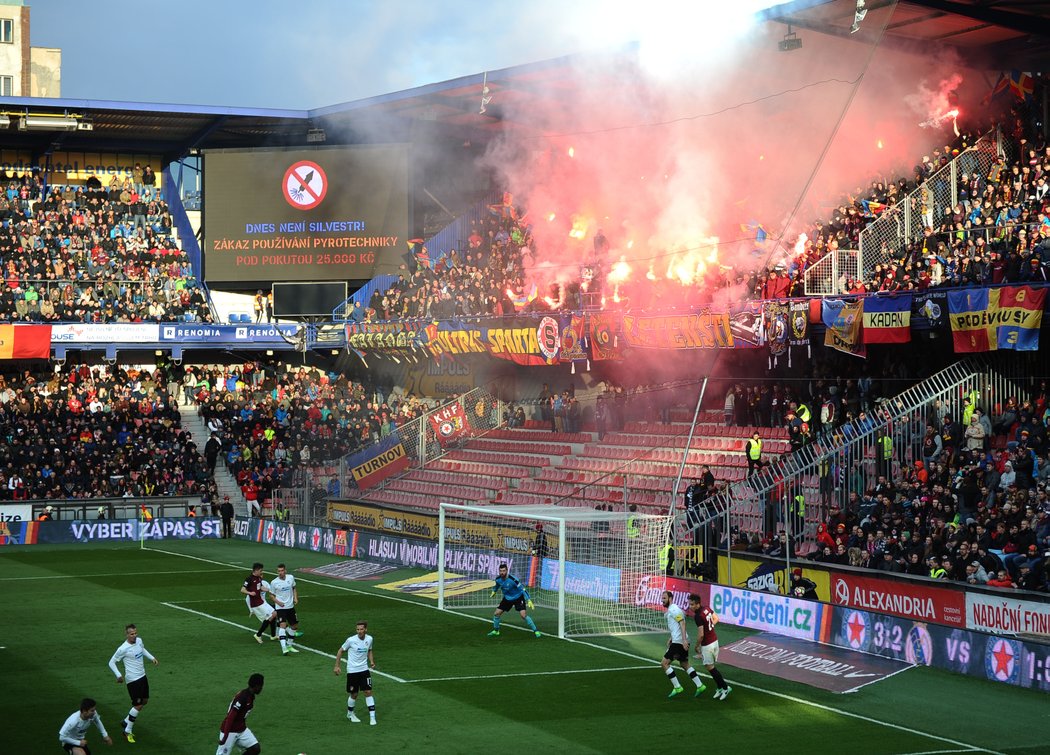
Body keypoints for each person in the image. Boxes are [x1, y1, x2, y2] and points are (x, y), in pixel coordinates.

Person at [107, 623, 158, 743]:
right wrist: (119, 675)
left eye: (135, 633)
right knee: (138, 705)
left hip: (142, 676)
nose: (134, 636)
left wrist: (152, 658)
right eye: (131, 634)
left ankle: (126, 721)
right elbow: (111, 662)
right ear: (127, 634)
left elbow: (142, 649)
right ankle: (127, 731)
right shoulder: (123, 649)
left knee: (144, 701)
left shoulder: (139, 641)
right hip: (132, 680)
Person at [660, 590, 705, 699]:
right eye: (662, 598)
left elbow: (682, 623)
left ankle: (677, 686)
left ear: (670, 599)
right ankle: (700, 685)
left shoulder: (674, 609)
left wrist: (684, 640)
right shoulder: (673, 609)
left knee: (664, 663)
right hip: (678, 640)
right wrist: (671, 637)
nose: (662, 600)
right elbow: (677, 625)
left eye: (664, 598)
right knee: (684, 664)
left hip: (679, 641)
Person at [333, 620, 378, 726]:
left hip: (364, 670)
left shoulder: (369, 639)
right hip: (352, 671)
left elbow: (370, 650)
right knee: (354, 694)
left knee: (368, 691)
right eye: (357, 629)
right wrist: (337, 666)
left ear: (366, 629)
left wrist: (371, 661)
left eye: (361, 629)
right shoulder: (351, 640)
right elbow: (340, 651)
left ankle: (372, 717)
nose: (359, 631)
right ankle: (350, 714)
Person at [688, 593, 731, 700]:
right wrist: (710, 626)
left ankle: (725, 688)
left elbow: (701, 634)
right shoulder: (706, 608)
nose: (691, 607)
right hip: (715, 641)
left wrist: (696, 646)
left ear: (698, 604)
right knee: (711, 667)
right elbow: (716, 618)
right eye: (690, 604)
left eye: (692, 604)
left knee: (710, 667)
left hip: (707, 644)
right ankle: (720, 688)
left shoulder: (698, 616)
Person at [487, 563, 541, 638]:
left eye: (504, 571)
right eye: (500, 571)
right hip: (507, 598)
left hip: (518, 598)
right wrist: (494, 591)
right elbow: (497, 585)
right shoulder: (498, 579)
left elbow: (522, 589)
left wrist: (528, 599)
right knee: (496, 613)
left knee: (523, 615)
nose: (502, 572)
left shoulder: (513, 580)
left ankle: (536, 631)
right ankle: (496, 631)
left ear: (507, 571)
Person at [216, 673, 264, 755]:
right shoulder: (243, 697)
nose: (261, 688)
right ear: (256, 686)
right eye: (261, 686)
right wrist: (225, 736)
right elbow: (230, 718)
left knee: (255, 749)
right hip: (230, 731)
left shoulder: (250, 696)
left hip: (241, 729)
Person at [241, 563, 278, 644]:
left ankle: (273, 635)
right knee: (273, 614)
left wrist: (270, 590)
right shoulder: (249, 579)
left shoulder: (258, 578)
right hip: (256, 604)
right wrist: (250, 593)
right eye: (261, 570)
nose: (262, 572)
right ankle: (258, 634)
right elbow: (242, 590)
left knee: (273, 615)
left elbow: (261, 587)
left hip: (261, 601)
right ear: (256, 570)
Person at [270, 563, 302, 655]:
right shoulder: (274, 582)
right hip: (280, 608)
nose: (280, 572)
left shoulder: (291, 577)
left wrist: (296, 598)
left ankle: (289, 645)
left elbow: (294, 588)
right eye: (279, 571)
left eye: (282, 570)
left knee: (294, 626)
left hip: (290, 607)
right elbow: (271, 595)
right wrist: (278, 602)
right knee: (282, 626)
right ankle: (284, 648)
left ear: (285, 571)